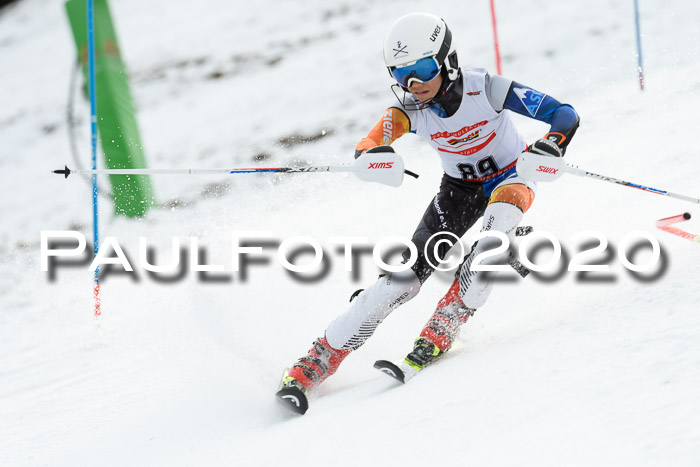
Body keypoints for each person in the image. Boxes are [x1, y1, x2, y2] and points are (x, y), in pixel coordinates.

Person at [277, 12, 579, 412]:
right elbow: (369, 141)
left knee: (492, 238)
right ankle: (313, 363)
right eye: (402, 76)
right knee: (398, 283)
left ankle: (447, 319)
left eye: (421, 70)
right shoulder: (409, 111)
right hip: (457, 192)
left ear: (446, 61)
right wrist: (371, 155)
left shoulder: (486, 88)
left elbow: (564, 114)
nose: (413, 85)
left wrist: (552, 143)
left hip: (512, 176)